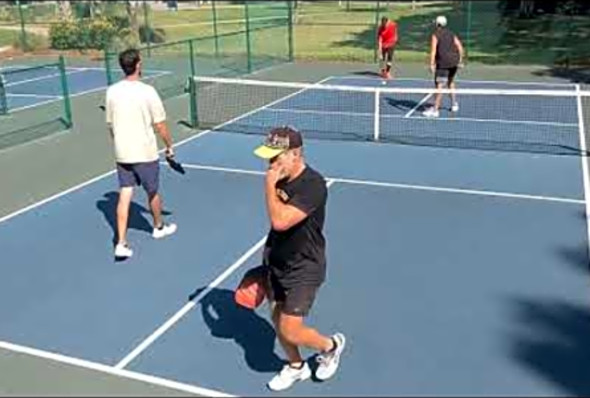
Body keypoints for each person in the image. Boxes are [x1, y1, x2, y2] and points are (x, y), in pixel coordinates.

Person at [253, 126, 345, 391]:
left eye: (275, 157)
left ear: (295, 153)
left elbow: (280, 221)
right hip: (276, 260)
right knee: (276, 318)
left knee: (290, 329)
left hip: (304, 265)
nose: (270, 164)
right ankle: (296, 366)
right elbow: (277, 227)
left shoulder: (313, 185)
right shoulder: (280, 177)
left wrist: (269, 184)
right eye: (268, 157)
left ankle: (331, 346)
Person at [105, 48, 177, 259]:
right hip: (145, 153)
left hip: (123, 154)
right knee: (152, 192)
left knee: (125, 195)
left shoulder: (112, 92)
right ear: (137, 65)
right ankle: (158, 227)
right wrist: (169, 146)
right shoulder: (148, 91)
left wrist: (120, 143)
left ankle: (121, 243)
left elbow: (110, 125)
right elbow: (160, 124)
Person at [423, 15, 464, 118]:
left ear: (437, 24)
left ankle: (435, 111)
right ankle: (454, 104)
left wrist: (432, 64)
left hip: (443, 63)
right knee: (450, 82)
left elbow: (433, 51)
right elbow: (460, 47)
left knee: (439, 86)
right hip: (453, 62)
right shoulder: (451, 34)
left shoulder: (435, 35)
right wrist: (460, 60)